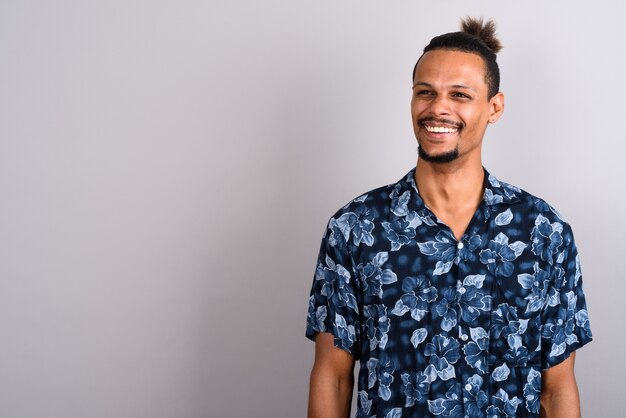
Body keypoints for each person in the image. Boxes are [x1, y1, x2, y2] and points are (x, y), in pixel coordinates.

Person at [305, 17, 592, 418]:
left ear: (495, 107)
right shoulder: (355, 229)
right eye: (426, 92)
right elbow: (332, 378)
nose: (438, 107)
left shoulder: (544, 232)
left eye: (460, 94)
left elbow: (556, 390)